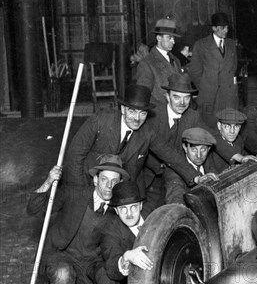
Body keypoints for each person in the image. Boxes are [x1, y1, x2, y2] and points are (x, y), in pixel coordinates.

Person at [26, 155, 129, 284]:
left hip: (92, 262)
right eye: (104, 179)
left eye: (114, 181)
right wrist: (48, 182)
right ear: (95, 179)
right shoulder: (74, 193)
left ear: (120, 184)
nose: (109, 186)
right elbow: (34, 209)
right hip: (63, 254)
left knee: (108, 281)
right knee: (63, 274)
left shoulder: (119, 209)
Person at [64, 85, 203, 197]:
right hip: (86, 183)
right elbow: (75, 155)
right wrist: (79, 191)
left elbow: (169, 154)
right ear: (123, 109)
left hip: (122, 190)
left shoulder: (147, 132)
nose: (137, 119)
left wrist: (196, 177)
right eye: (132, 111)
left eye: (142, 113)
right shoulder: (99, 121)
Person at [143, 72, 207, 207]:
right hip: (150, 177)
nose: (182, 103)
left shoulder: (193, 116)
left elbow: (210, 137)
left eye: (187, 98)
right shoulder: (152, 116)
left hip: (179, 173)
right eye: (176, 97)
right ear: (167, 96)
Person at [188, 12, 239, 117]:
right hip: (209, 97)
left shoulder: (231, 44)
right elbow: (194, 71)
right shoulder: (201, 45)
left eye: (227, 27)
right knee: (209, 126)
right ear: (214, 28)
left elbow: (234, 67)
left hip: (228, 96)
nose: (226, 30)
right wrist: (206, 87)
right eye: (222, 27)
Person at [135, 17, 183, 107]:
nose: (173, 41)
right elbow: (143, 95)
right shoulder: (147, 63)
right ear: (158, 38)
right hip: (159, 113)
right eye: (169, 38)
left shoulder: (176, 61)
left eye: (174, 38)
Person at [164, 128, 219, 205]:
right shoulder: (174, 170)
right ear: (185, 148)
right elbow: (175, 195)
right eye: (194, 150)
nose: (199, 155)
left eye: (203, 149)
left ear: (209, 149)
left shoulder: (209, 160)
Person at [210, 108, 257, 172]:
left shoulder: (239, 140)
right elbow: (221, 146)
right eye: (227, 126)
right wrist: (241, 158)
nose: (232, 131)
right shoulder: (212, 141)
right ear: (219, 126)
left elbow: (244, 156)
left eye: (236, 126)